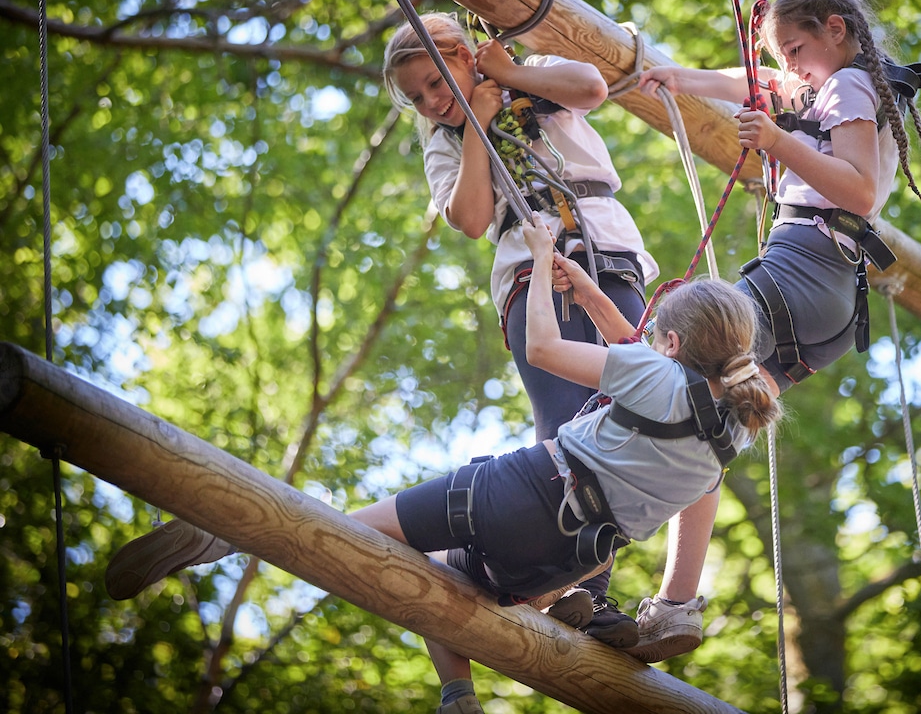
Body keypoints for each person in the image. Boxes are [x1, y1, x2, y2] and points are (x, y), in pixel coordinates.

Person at [105, 213, 783, 714]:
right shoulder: (727, 445)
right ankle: (457, 696)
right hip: (562, 561)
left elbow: (546, 348)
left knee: (346, 529)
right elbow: (634, 351)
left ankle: (220, 536)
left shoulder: (648, 374)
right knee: (436, 579)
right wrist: (587, 287)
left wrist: (544, 258)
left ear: (670, 342)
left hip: (514, 492)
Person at [628, 0, 921, 662]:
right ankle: (675, 605)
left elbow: (861, 189)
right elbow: (748, 80)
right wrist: (675, 76)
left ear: (836, 29)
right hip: (826, 301)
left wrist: (778, 143)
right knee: (712, 431)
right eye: (782, 54)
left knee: (680, 336)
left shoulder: (850, 86)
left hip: (803, 268)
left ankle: (582, 521)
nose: (789, 66)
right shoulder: (824, 82)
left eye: (797, 48)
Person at [380, 13, 659, 649]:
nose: (431, 100)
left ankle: (580, 584)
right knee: (570, 427)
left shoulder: (528, 82)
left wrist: (503, 74)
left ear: (463, 54)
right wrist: (474, 119)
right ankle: (581, 588)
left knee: (629, 418)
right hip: (534, 275)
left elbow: (591, 88)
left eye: (435, 80)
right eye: (418, 96)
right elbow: (472, 217)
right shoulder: (444, 140)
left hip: (606, 258)